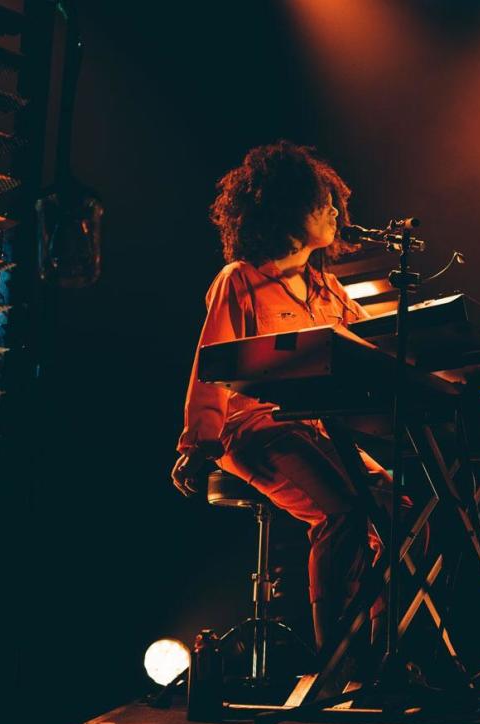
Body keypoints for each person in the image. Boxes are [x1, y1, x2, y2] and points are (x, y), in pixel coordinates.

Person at [170, 140, 390, 653]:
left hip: (318, 430)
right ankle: (336, 658)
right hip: (254, 429)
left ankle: (387, 657)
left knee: (403, 512)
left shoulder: (330, 291)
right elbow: (211, 366)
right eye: (322, 202)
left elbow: (376, 353)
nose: (335, 210)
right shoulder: (240, 280)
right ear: (290, 208)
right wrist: (197, 446)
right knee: (345, 511)